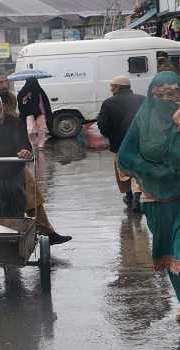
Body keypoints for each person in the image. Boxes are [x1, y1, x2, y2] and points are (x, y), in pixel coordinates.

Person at [0, 68, 72, 245]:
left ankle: (44, 231)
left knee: (31, 193)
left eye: (6, 81)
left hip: (13, 157)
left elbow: (16, 126)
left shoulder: (11, 98)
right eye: (0, 82)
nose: (5, 85)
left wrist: (21, 147)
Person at [118, 71, 180, 323]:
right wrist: (152, 170)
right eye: (161, 94)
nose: (168, 98)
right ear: (152, 94)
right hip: (157, 200)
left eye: (173, 93)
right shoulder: (143, 120)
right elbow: (125, 156)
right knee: (170, 257)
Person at [97, 76, 146, 212]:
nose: (111, 89)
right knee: (138, 171)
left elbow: (102, 124)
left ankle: (129, 197)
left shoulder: (108, 103)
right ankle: (136, 198)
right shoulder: (143, 99)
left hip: (119, 144)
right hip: (140, 143)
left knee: (123, 171)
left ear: (118, 87)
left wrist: (108, 135)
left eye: (112, 86)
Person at [17, 78, 52, 150]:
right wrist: (27, 97)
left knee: (42, 129)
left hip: (40, 113)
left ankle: (41, 145)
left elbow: (45, 102)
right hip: (28, 114)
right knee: (30, 130)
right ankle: (33, 143)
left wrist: (46, 113)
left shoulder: (39, 91)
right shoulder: (23, 91)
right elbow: (21, 103)